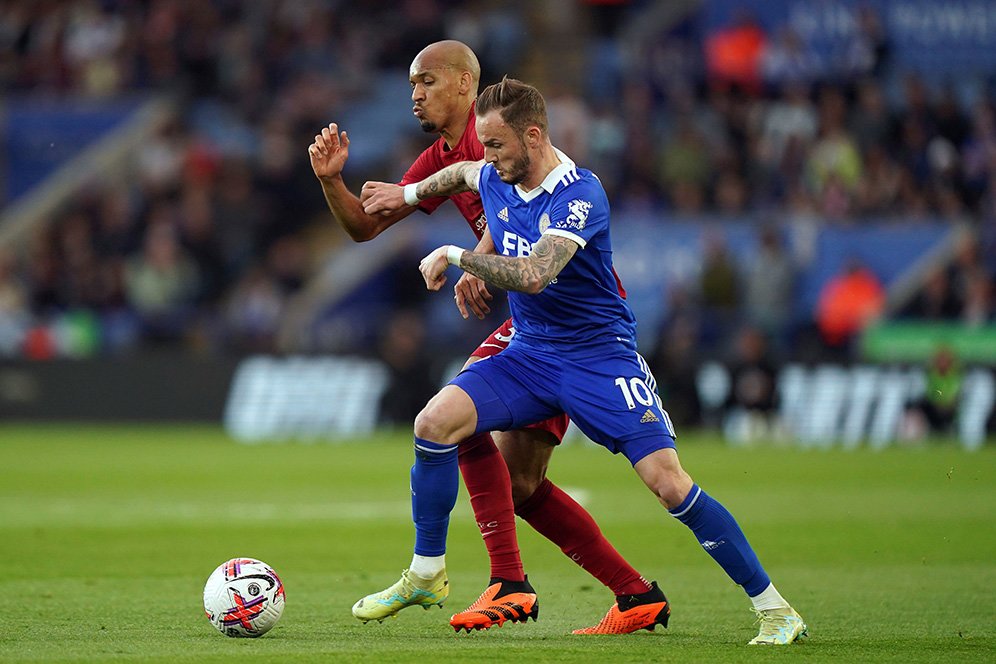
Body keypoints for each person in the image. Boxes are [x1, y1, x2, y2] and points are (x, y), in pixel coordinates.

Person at [360, 77, 808, 644]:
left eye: (496, 146)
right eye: (484, 146)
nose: (487, 160)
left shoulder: (580, 194)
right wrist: (406, 196)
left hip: (599, 359)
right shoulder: (491, 172)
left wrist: (457, 255)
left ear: (533, 135)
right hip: (529, 353)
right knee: (435, 423)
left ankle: (774, 608)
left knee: (669, 485)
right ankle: (428, 571)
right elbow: (459, 174)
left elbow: (534, 275)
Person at [308, 41, 667, 634]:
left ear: (463, 84)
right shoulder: (436, 160)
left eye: (425, 81)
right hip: (531, 318)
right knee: (520, 484)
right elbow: (365, 227)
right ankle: (633, 594)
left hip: (570, 321)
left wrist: (474, 257)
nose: (415, 94)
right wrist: (331, 181)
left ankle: (506, 583)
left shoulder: (500, 136)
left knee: (450, 419)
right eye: (410, 85)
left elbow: (543, 208)